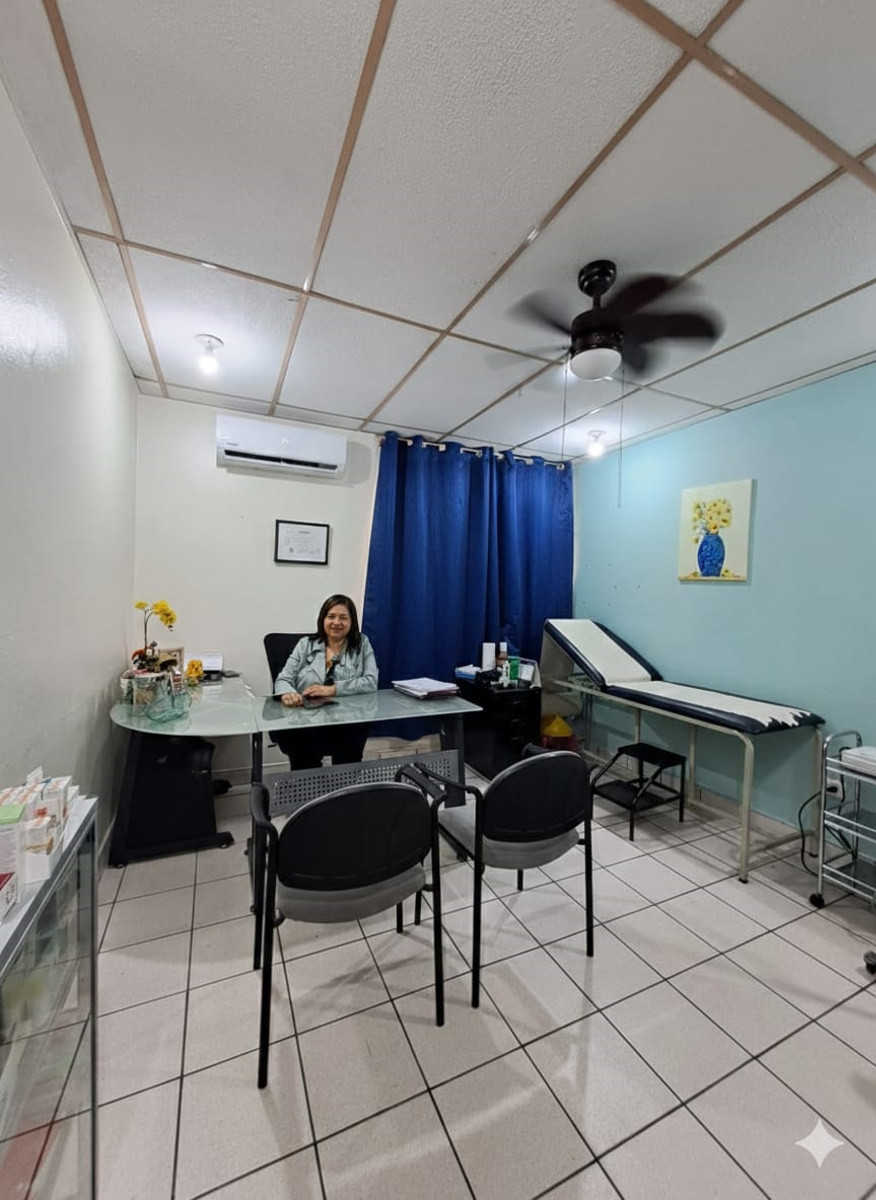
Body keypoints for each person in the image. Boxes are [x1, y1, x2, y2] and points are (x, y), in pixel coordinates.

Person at [273, 594, 378, 768]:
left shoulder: (362, 644)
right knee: (304, 763)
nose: (336, 622)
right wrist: (288, 693)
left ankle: (344, 784)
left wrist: (333, 690)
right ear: (323, 619)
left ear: (352, 622)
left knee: (347, 764)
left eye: (343, 617)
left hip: (348, 721)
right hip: (306, 721)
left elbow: (371, 681)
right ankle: (307, 783)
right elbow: (284, 679)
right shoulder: (305, 644)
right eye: (331, 616)